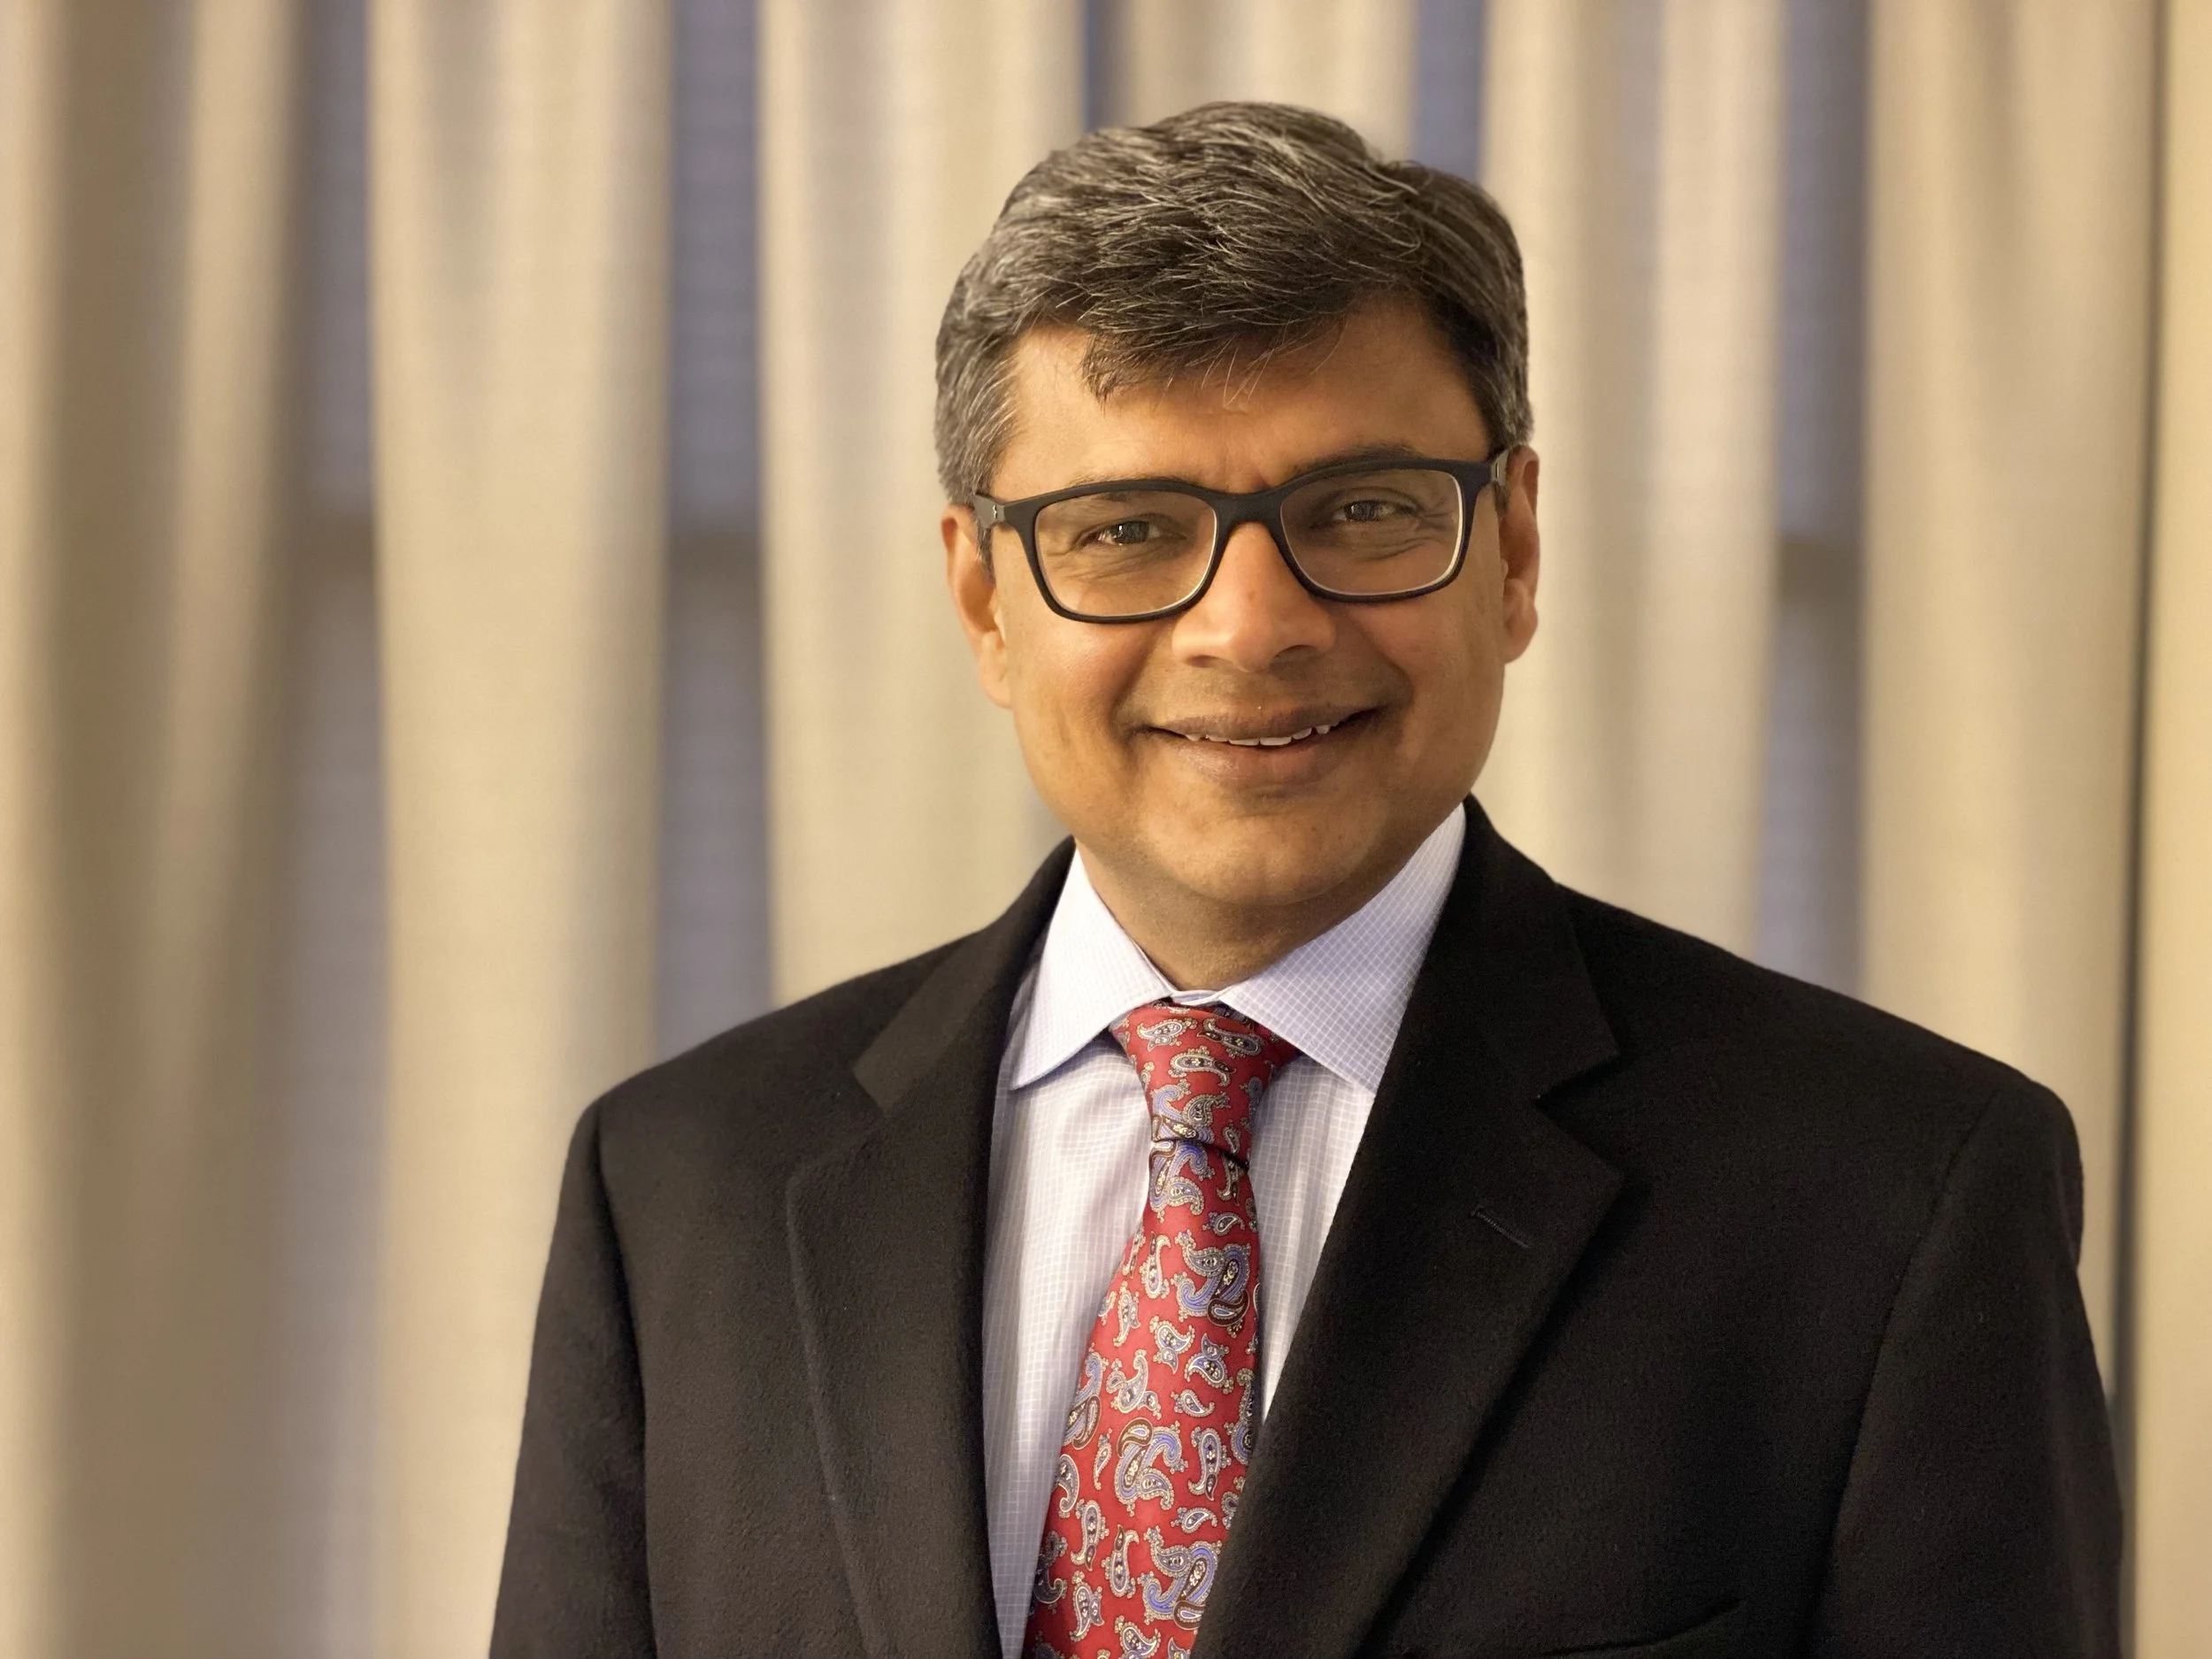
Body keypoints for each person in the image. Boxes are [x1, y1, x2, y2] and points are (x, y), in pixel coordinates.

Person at [490, 103, 2119, 1659]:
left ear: (1517, 554)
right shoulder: (677, 1188)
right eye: (1128, 528)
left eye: (1363, 510)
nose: (1251, 625)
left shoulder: (1892, 1196)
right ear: (986, 599)